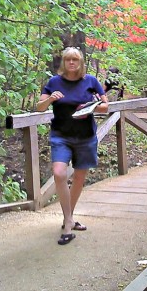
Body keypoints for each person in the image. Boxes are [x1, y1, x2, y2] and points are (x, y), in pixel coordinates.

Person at [36, 47, 109, 246]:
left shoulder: (90, 81)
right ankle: (68, 223)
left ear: (80, 62)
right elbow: (39, 106)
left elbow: (105, 106)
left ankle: (68, 217)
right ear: (64, 62)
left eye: (75, 60)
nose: (71, 63)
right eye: (68, 60)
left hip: (85, 137)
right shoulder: (54, 82)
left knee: (78, 177)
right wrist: (51, 99)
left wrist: (91, 105)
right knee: (59, 173)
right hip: (61, 136)